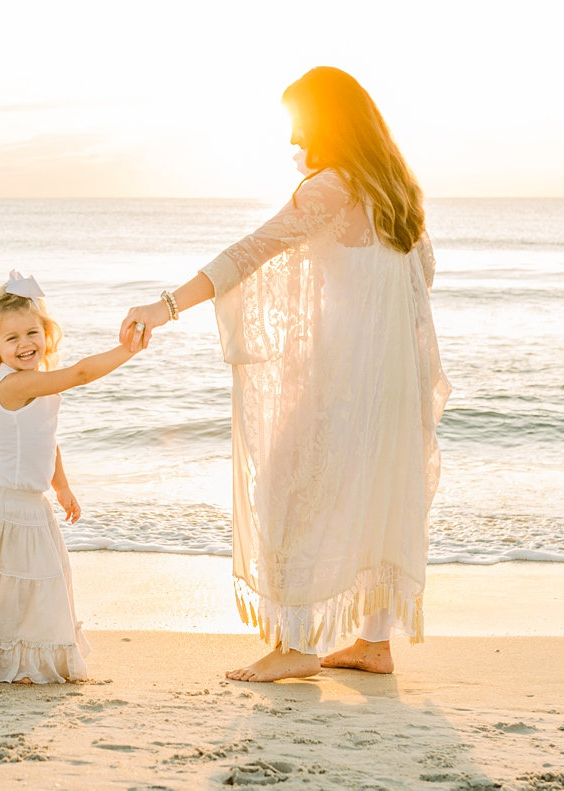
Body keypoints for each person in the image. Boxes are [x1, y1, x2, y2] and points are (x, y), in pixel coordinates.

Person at [121, 66, 449, 683]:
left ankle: (296, 645)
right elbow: (422, 276)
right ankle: (374, 643)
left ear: (325, 120)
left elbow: (250, 252)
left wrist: (163, 308)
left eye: (299, 119)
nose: (293, 133)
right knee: (376, 498)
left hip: (345, 375)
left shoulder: (329, 188)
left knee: (289, 487)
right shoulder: (400, 191)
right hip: (394, 376)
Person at [0, 271, 145, 684]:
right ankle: (13, 661)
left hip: (33, 505)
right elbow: (79, 374)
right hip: (9, 506)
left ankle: (22, 660)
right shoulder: (16, 385)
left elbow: (47, 437)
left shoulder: (36, 386)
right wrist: (126, 351)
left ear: (47, 334)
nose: (25, 344)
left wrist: (62, 487)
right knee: (16, 588)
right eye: (12, 338)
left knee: (35, 588)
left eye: (32, 332)